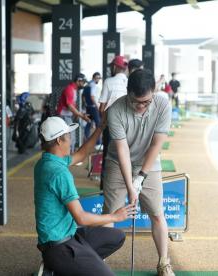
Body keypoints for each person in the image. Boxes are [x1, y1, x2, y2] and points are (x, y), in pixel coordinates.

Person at [34, 116, 136, 275]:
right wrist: (115, 217)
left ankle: (79, 266)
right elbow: (81, 218)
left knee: (117, 236)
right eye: (68, 136)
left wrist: (100, 128)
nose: (71, 139)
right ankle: (66, 268)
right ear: (60, 141)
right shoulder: (59, 172)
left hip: (69, 236)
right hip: (59, 248)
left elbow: (81, 154)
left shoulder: (46, 162)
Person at [103, 69, 174, 276]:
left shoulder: (162, 104)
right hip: (118, 162)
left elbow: (156, 144)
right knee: (110, 214)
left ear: (153, 92)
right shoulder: (115, 110)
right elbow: (122, 150)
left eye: (146, 102)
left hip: (149, 162)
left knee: (157, 213)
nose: (141, 106)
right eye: (136, 102)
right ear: (128, 93)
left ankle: (163, 263)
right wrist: (130, 186)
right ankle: (97, 262)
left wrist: (141, 177)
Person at [98, 55, 128, 189]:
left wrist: (103, 123)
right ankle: (124, 184)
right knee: (125, 153)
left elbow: (102, 108)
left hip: (110, 124)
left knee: (107, 154)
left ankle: (104, 186)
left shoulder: (108, 82)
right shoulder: (128, 82)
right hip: (127, 125)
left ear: (115, 67)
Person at [56, 73, 91, 153]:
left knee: (71, 137)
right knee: (69, 137)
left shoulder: (74, 89)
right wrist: (81, 116)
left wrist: (79, 114)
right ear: (78, 81)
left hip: (67, 116)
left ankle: (69, 155)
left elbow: (72, 106)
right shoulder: (69, 89)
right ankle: (68, 156)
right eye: (83, 82)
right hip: (63, 116)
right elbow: (70, 106)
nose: (84, 84)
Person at [82, 72, 102, 143]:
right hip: (93, 107)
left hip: (88, 107)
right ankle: (98, 142)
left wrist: (86, 105)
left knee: (89, 123)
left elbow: (83, 97)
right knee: (98, 124)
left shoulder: (87, 85)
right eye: (97, 78)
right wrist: (97, 107)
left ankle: (86, 140)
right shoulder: (93, 85)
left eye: (99, 78)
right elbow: (92, 97)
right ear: (93, 78)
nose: (98, 80)